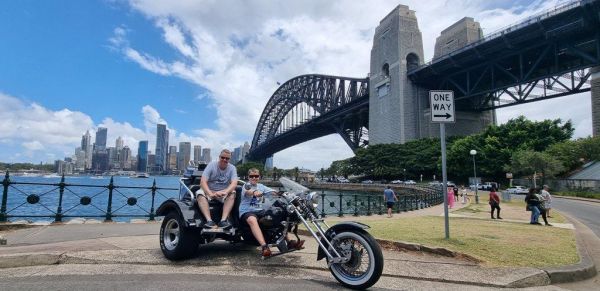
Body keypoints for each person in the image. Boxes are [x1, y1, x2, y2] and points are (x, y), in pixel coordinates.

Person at [240, 168, 304, 257]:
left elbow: (272, 192)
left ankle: (289, 242)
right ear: (248, 177)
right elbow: (248, 192)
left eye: (256, 176)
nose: (254, 178)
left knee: (276, 216)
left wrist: (282, 193)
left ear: (259, 177)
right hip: (246, 211)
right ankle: (264, 247)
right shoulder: (246, 185)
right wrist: (254, 192)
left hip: (260, 210)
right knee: (252, 220)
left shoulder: (261, 186)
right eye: (251, 176)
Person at [197, 149, 237, 229]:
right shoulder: (211, 165)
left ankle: (223, 220)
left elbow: (234, 183)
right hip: (209, 190)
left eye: (227, 158)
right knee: (199, 194)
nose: (224, 160)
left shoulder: (232, 168)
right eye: (223, 157)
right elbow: (203, 182)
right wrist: (210, 194)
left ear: (229, 159)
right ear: (219, 157)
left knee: (233, 193)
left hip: (223, 192)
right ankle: (209, 221)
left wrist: (225, 192)